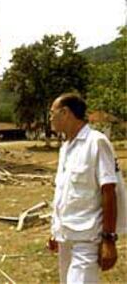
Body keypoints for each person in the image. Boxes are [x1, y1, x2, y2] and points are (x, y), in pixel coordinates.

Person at [47, 93, 127, 283]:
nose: (50, 118)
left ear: (65, 113)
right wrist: (55, 229)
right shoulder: (66, 147)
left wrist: (109, 240)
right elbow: (63, 193)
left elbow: (109, 191)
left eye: (52, 113)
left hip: (87, 238)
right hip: (65, 235)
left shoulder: (96, 142)